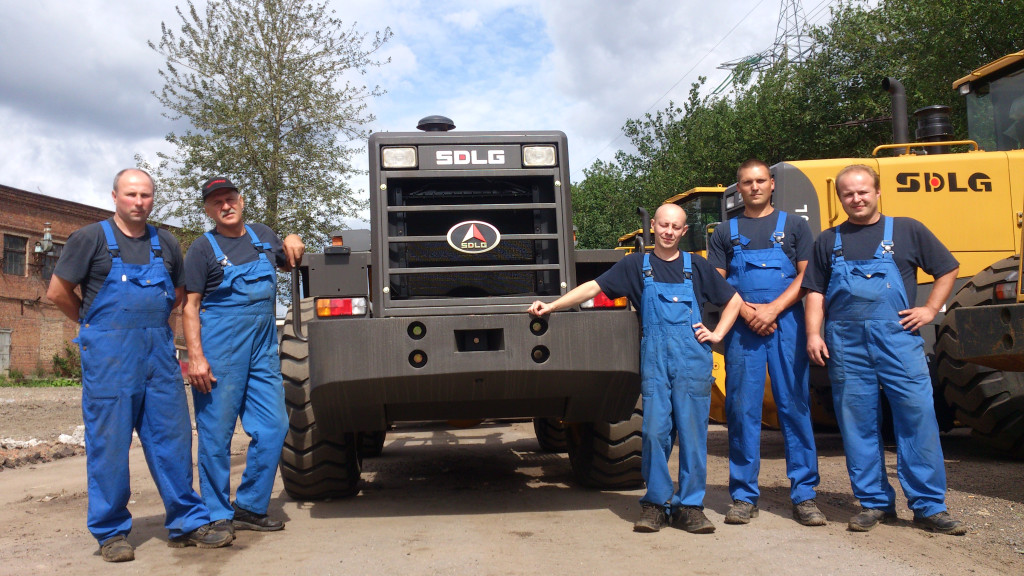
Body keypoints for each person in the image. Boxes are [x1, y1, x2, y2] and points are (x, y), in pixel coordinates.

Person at [46, 169, 233, 563]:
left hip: (158, 357)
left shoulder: (164, 242)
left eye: (146, 195)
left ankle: (187, 520)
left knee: (173, 440)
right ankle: (111, 531)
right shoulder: (90, 238)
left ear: (152, 199)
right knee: (109, 445)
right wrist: (91, 321)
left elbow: (179, 295)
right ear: (114, 196)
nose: (139, 202)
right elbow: (57, 291)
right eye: (131, 194)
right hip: (109, 357)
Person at [528, 203, 742, 534]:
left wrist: (717, 334)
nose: (669, 231)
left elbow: (734, 300)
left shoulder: (696, 266)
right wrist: (553, 305)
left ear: (684, 232)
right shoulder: (634, 265)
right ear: (652, 227)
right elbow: (593, 288)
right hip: (656, 362)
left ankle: (690, 507)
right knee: (655, 433)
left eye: (676, 227)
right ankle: (656, 503)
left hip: (693, 361)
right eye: (664, 225)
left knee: (693, 436)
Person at [803, 164, 966, 535]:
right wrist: (814, 334)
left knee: (917, 417)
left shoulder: (908, 229)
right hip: (846, 344)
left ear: (877, 192)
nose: (856, 199)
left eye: (863, 191)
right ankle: (875, 503)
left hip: (897, 339)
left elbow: (948, 268)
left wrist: (929, 309)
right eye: (848, 193)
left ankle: (928, 506)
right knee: (857, 422)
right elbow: (814, 292)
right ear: (840, 198)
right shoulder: (828, 241)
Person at [183, 176, 304, 536]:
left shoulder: (262, 235)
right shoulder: (202, 249)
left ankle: (250, 506)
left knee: (274, 425)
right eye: (217, 201)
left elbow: (287, 261)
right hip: (220, 347)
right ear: (208, 209)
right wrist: (196, 358)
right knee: (216, 434)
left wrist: (293, 238)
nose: (225, 205)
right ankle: (217, 513)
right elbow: (190, 307)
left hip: (263, 344)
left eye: (230, 198)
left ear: (242, 200)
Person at [707, 159, 824, 527]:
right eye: (746, 182)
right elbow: (718, 283)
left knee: (795, 407)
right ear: (738, 189)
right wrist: (746, 314)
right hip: (744, 328)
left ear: (772, 184)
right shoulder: (724, 232)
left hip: (786, 324)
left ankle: (804, 496)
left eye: (760, 181)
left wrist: (772, 310)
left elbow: (808, 276)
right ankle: (743, 497)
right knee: (742, 410)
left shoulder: (795, 226)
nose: (754, 187)